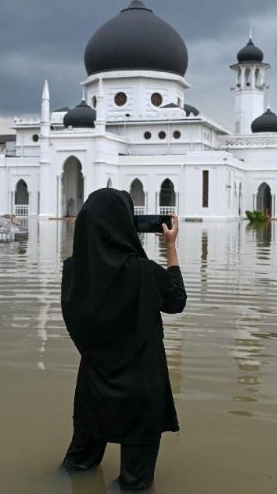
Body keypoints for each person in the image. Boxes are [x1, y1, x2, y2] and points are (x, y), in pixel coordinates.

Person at [60, 188, 187, 490]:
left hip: (94, 388)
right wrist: (170, 247)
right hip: (141, 393)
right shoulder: (143, 273)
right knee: (134, 485)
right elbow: (176, 301)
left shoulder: (74, 272)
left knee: (76, 468)